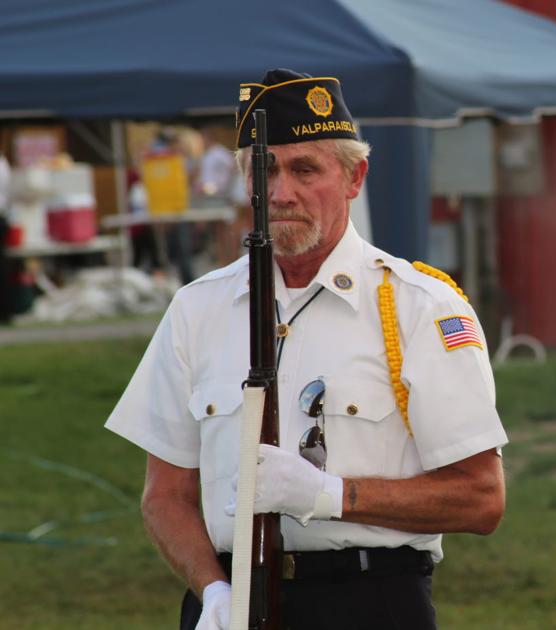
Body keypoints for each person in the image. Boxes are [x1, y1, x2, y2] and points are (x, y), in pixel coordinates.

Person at [106, 69, 508, 630]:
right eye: (263, 169)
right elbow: (165, 496)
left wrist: (330, 494)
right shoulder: (199, 309)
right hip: (233, 603)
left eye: (305, 169)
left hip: (368, 601)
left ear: (354, 176)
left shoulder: (419, 307)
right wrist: (213, 590)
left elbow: (481, 498)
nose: (280, 192)